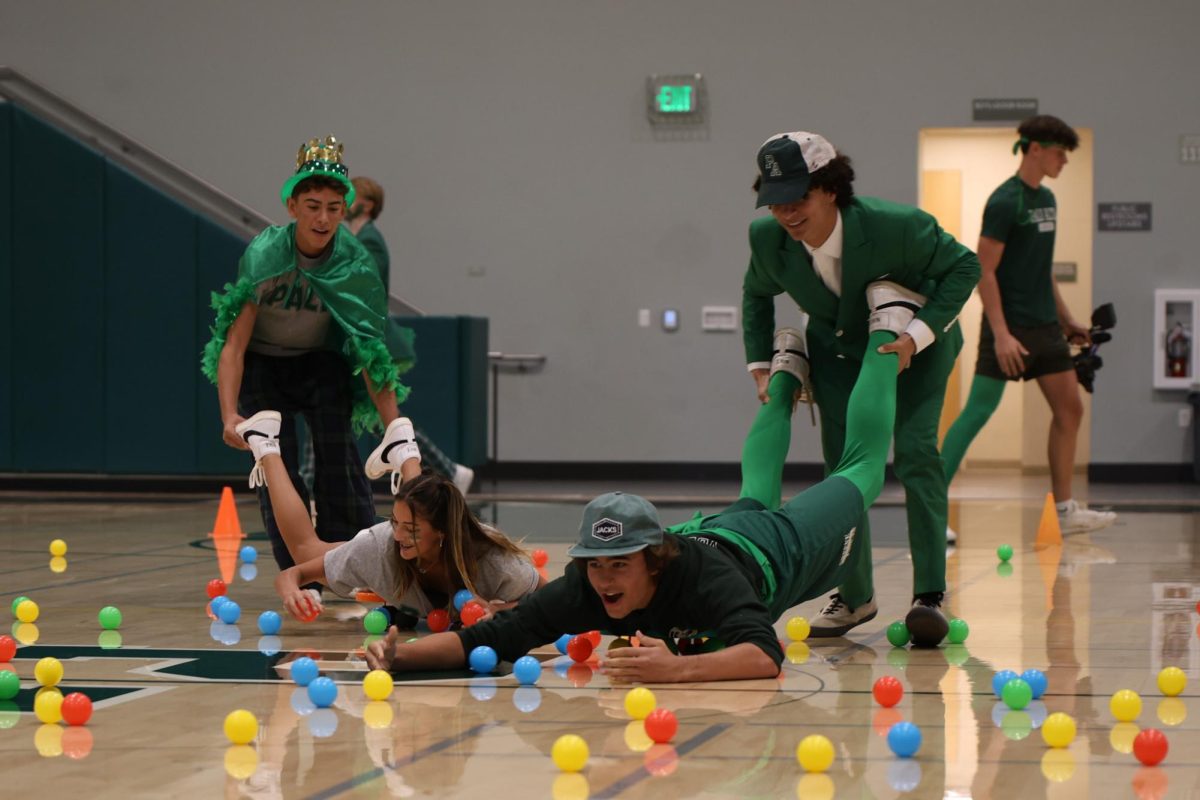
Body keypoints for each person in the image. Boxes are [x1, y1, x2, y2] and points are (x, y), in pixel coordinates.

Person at [364, 285, 921, 682]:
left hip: (778, 548)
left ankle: (887, 327)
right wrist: (400, 655)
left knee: (862, 472)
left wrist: (677, 670)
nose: (604, 578)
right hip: (718, 528)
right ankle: (786, 371)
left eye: (619, 563)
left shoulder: (705, 582)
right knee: (755, 484)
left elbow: (763, 655)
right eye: (596, 562)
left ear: (653, 559)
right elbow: (488, 639)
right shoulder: (586, 588)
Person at [742, 132, 980, 640]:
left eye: (797, 198)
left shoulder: (896, 226)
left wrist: (916, 338)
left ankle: (929, 595)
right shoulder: (767, 239)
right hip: (837, 350)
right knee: (844, 466)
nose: (785, 213)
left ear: (830, 188)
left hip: (918, 346)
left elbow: (965, 266)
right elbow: (756, 293)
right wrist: (760, 362)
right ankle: (855, 596)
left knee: (916, 452)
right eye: (774, 201)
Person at [201, 136, 416, 579]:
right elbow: (234, 343)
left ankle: (354, 567)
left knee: (340, 460)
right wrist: (229, 414)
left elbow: (369, 348)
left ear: (345, 210)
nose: (323, 218)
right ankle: (300, 571)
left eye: (334, 208)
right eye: (313, 205)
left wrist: (396, 427)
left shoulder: (354, 262)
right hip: (264, 362)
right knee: (277, 462)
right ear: (293, 206)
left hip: (320, 360)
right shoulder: (265, 256)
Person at [940, 116, 1115, 534]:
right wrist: (1000, 333)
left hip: (1045, 327)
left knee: (1070, 408)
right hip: (1009, 327)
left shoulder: (1048, 199)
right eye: (1059, 153)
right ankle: (929, 510)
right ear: (1034, 149)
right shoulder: (1005, 202)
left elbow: (1042, 269)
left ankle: (1067, 512)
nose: (1063, 162)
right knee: (978, 412)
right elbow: (985, 271)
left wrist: (1068, 318)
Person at [235, 411, 544, 621]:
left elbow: (550, 595)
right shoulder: (384, 546)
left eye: (409, 529)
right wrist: (290, 591)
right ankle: (265, 444)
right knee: (305, 549)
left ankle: (405, 451)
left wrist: (499, 611)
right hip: (378, 555)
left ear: (443, 533)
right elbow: (294, 573)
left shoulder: (493, 561)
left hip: (442, 542)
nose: (397, 534)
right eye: (395, 522)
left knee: (419, 504)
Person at [343, 175, 475, 493]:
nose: (346, 202)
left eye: (352, 196)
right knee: (371, 415)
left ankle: (446, 468)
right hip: (360, 334)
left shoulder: (370, 239)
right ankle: (448, 469)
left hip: (371, 335)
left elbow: (364, 285)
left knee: (379, 415)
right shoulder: (358, 237)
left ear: (368, 204)